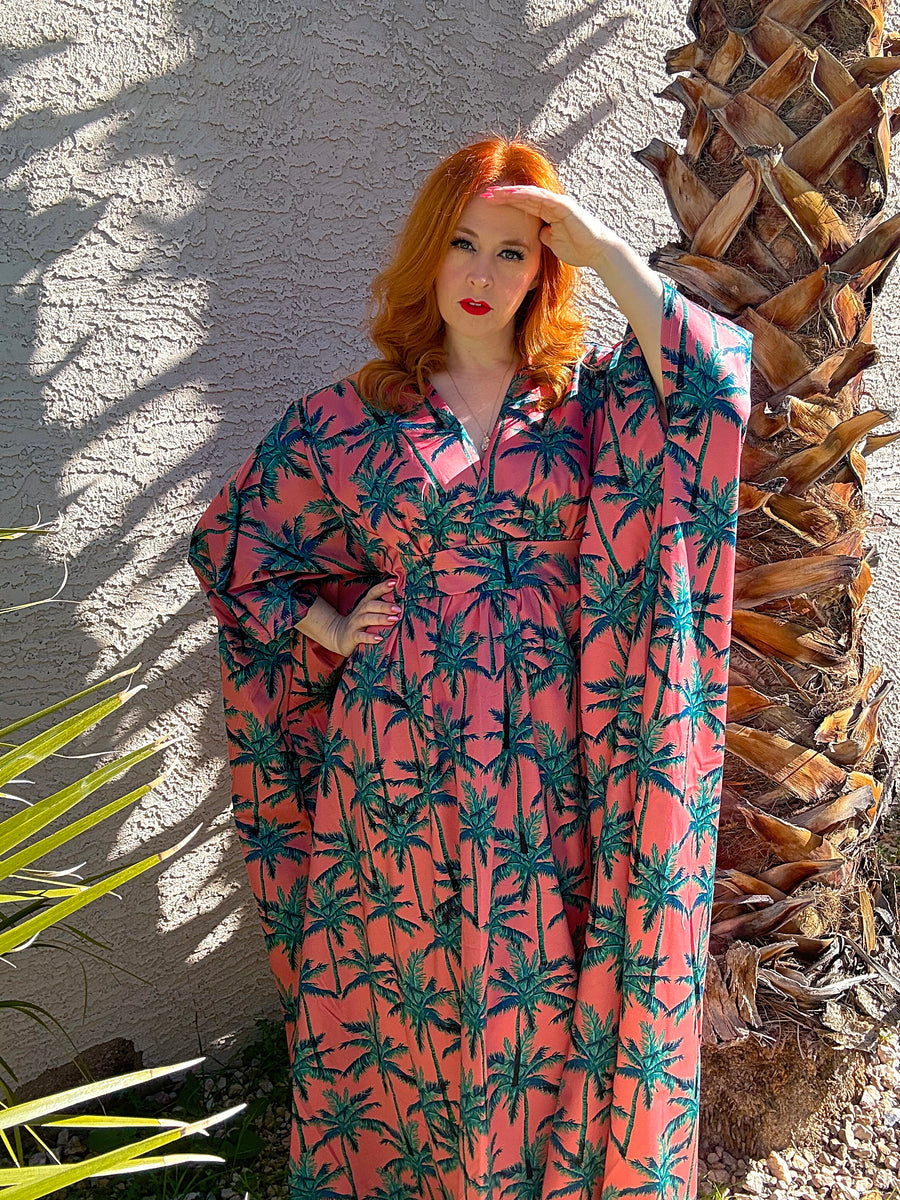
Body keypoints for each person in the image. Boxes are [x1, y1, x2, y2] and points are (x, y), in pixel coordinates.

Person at [188, 134, 753, 1200]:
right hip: (395, 760)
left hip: (553, 755)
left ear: (543, 272)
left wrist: (603, 247)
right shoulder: (353, 416)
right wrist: (329, 627)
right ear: (426, 253)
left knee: (543, 986)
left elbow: (715, 388)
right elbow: (234, 548)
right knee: (407, 979)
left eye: (513, 251)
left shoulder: (587, 402)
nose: (482, 274)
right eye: (461, 243)